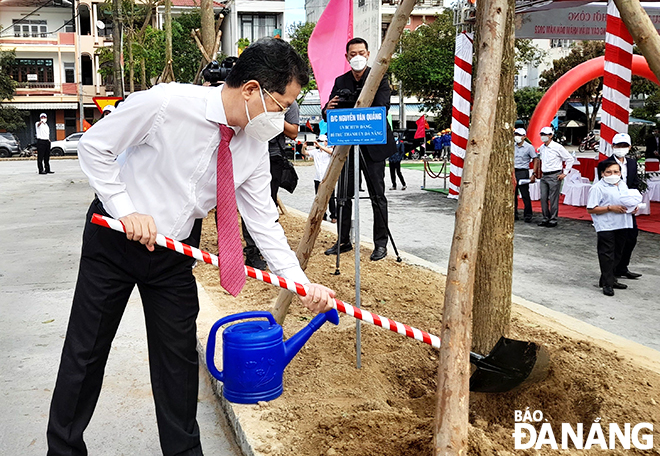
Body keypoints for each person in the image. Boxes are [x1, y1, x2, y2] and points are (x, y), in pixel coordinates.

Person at [46, 38, 336, 456]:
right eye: (281, 104)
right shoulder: (166, 104)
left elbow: (263, 222)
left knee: (177, 363)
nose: (282, 118)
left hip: (175, 253)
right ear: (252, 89)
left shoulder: (253, 146)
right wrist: (127, 209)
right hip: (114, 238)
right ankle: (64, 450)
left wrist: (299, 282)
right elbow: (95, 147)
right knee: (86, 352)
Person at [321, 37, 396, 261]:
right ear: (346, 57)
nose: (357, 58)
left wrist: (355, 104)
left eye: (361, 53)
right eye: (352, 54)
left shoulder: (380, 78)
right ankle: (343, 240)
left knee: (377, 196)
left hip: (373, 147)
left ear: (368, 53)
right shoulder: (340, 81)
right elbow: (328, 111)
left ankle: (380, 244)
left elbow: (382, 108)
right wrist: (328, 108)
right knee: (343, 195)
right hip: (347, 148)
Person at [242, 99, 300, 269]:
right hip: (250, 152)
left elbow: (294, 132)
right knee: (251, 201)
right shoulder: (257, 97)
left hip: (273, 156)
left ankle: (264, 250)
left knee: (268, 205)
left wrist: (272, 116)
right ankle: (251, 252)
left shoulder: (290, 102)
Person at [587, 160, 636, 296]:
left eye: (616, 172)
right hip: (606, 225)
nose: (613, 174)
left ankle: (609, 278)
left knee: (618, 253)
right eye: (609, 172)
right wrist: (610, 208)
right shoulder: (598, 188)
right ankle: (608, 284)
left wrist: (633, 207)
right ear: (602, 174)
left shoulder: (622, 185)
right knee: (607, 254)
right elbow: (591, 209)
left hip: (623, 223)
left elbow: (627, 201)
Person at [602, 133, 643, 280]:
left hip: (628, 207)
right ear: (613, 146)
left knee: (631, 237)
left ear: (629, 147)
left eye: (624, 146)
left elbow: (635, 184)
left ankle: (622, 267)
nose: (621, 149)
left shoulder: (632, 163)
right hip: (612, 207)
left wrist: (635, 202)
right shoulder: (606, 164)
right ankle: (610, 273)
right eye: (618, 146)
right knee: (614, 241)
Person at [537, 126, 574, 227]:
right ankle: (545, 217)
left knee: (553, 198)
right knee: (543, 197)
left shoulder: (557, 147)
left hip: (554, 174)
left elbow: (570, 159)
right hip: (544, 175)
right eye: (542, 134)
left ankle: (553, 219)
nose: (544, 136)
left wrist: (565, 173)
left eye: (546, 134)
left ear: (551, 135)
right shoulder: (542, 147)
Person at [301, 134, 337, 222]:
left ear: (326, 142)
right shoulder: (315, 152)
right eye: (319, 141)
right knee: (319, 198)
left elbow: (332, 153)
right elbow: (304, 153)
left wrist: (320, 146)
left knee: (331, 198)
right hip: (317, 178)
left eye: (322, 141)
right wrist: (303, 147)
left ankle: (334, 216)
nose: (319, 143)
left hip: (328, 177)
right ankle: (322, 215)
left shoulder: (330, 150)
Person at [513, 128, 539, 223]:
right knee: (513, 194)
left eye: (519, 135)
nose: (517, 137)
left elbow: (535, 159)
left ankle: (528, 215)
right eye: (515, 134)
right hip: (513, 171)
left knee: (525, 195)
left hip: (523, 172)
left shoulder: (529, 147)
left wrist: (533, 173)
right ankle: (514, 214)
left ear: (524, 136)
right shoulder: (513, 146)